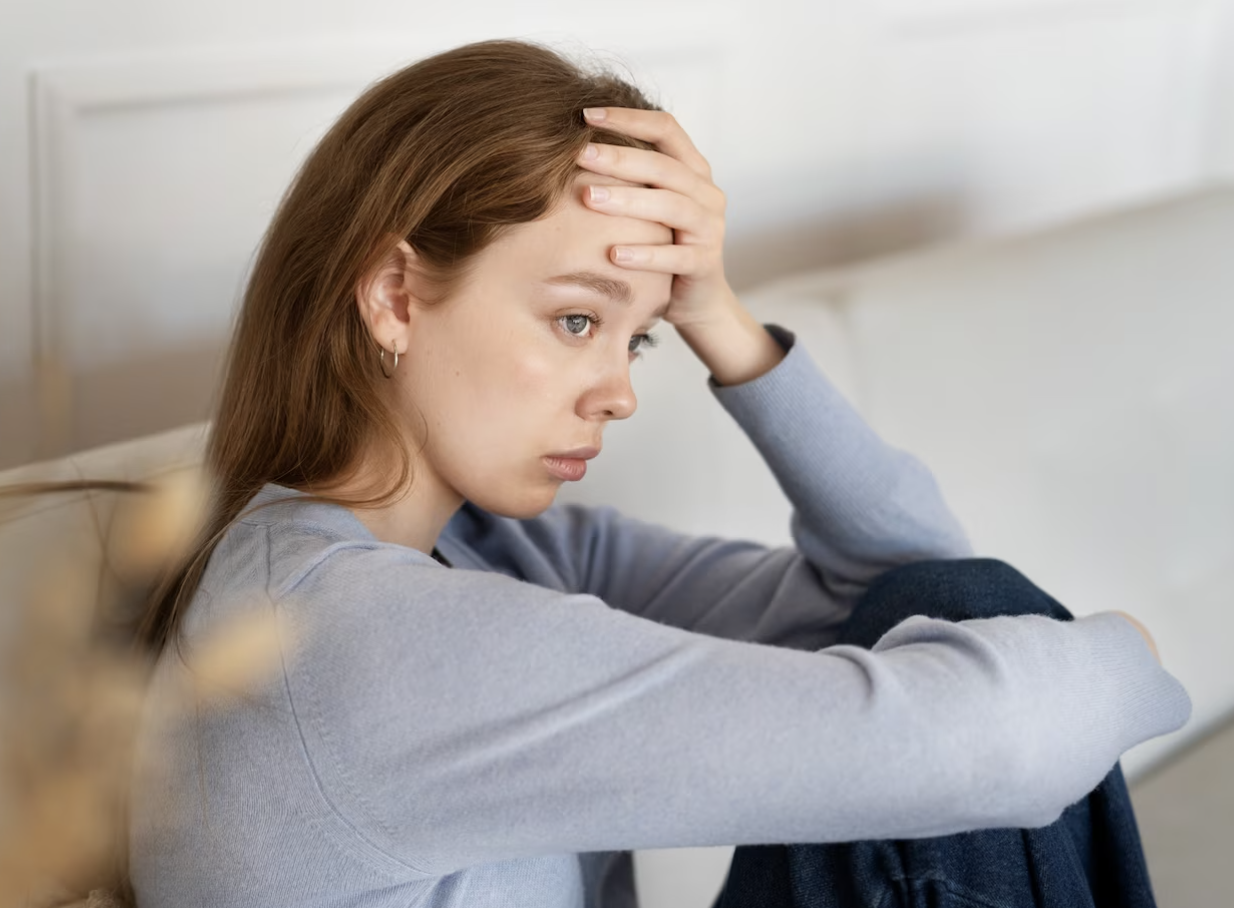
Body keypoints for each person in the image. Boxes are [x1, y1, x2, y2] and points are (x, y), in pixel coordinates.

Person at [125, 38, 1191, 908]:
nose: (617, 391)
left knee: (961, 606)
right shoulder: (345, 638)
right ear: (396, 297)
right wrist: (1128, 651)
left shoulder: (501, 549)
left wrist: (714, 314)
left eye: (634, 341)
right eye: (576, 317)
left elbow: (907, 576)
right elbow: (988, 743)